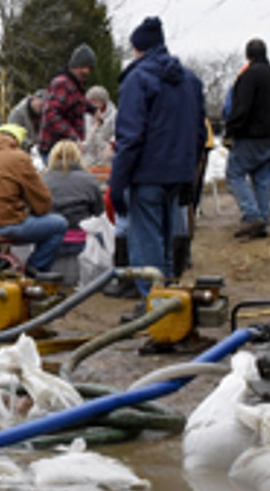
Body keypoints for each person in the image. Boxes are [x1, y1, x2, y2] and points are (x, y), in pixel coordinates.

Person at [109, 16, 204, 297]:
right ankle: (169, 295)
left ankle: (155, 300)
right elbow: (199, 132)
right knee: (167, 237)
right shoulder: (190, 81)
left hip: (147, 172)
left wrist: (117, 181)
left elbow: (130, 136)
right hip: (178, 172)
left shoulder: (137, 80)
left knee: (146, 240)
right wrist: (190, 174)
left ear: (138, 48)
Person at [0, 124, 68, 274]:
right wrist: (33, 209)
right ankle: (34, 271)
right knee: (58, 224)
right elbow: (42, 202)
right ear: (17, 141)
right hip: (0, 226)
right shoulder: (18, 158)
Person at [225, 38, 270, 239]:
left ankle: (252, 216)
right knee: (262, 179)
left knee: (234, 174)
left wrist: (231, 130)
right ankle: (263, 223)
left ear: (248, 56)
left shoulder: (248, 76)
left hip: (249, 136)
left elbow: (241, 107)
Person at [39, 44, 100, 156]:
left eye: (90, 68)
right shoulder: (62, 83)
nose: (87, 71)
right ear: (76, 65)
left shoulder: (75, 85)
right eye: (85, 67)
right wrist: (73, 137)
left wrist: (94, 109)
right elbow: (51, 115)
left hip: (68, 151)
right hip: (55, 150)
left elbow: (78, 101)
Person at [44, 139, 103, 225]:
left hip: (53, 232)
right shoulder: (89, 179)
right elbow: (99, 212)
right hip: (83, 232)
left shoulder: (43, 180)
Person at [80, 85, 116, 169]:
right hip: (88, 155)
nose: (92, 103)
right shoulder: (85, 114)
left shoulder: (114, 114)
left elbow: (118, 133)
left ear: (102, 100)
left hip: (105, 154)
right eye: (90, 100)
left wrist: (111, 146)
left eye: (94, 100)